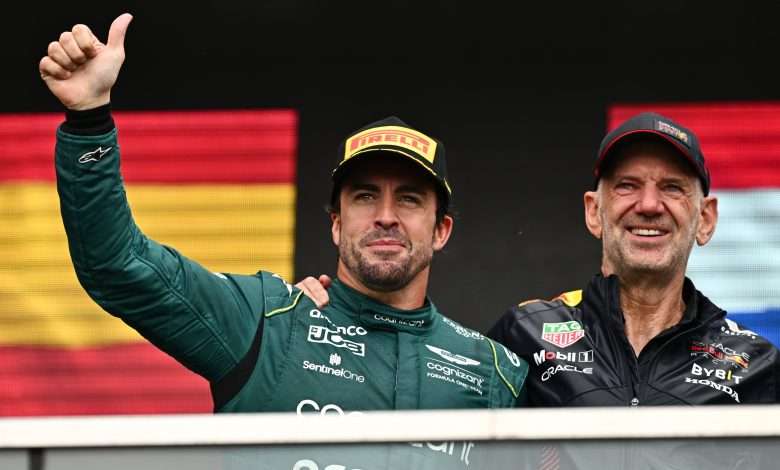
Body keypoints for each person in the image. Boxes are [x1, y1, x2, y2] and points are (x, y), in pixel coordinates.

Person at [39, 13, 528, 417]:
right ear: (336, 223)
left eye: (409, 199)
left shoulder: (494, 372)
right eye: (362, 196)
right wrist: (89, 120)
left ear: (442, 229)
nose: (385, 216)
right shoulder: (265, 322)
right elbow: (118, 265)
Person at [488, 111, 780, 406]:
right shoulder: (525, 333)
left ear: (705, 219)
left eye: (672, 187)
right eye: (627, 185)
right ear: (593, 211)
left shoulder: (757, 364)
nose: (650, 205)